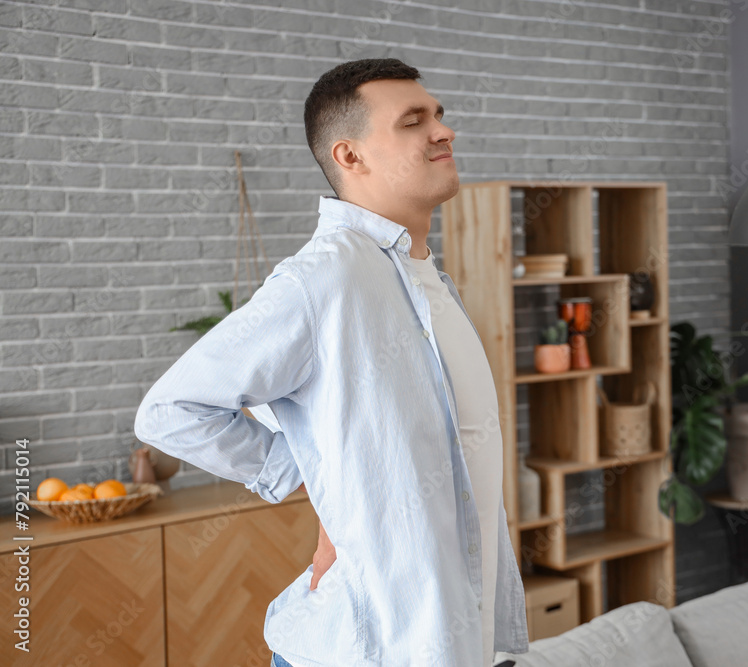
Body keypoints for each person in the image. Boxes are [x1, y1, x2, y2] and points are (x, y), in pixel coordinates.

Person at [133, 58, 529, 667]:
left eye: (439, 115)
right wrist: (314, 476)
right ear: (350, 156)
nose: (443, 131)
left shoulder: (427, 283)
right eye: (414, 121)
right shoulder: (325, 278)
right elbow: (170, 411)